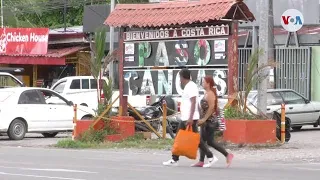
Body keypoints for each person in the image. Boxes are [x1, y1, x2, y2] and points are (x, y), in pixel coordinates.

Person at [163, 69, 216, 167]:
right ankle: (175, 159)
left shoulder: (191, 86)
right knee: (191, 139)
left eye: (180, 77)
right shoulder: (188, 86)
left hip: (189, 118)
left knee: (190, 139)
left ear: (182, 77)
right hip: (186, 117)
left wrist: (191, 118)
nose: (179, 80)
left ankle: (210, 156)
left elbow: (193, 102)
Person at [191, 76, 234, 168]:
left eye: (203, 82)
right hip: (206, 122)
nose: (202, 83)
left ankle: (226, 155)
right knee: (202, 141)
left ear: (208, 83)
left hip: (210, 122)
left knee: (209, 142)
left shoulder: (210, 94)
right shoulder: (206, 93)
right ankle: (201, 161)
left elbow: (211, 108)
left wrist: (204, 119)